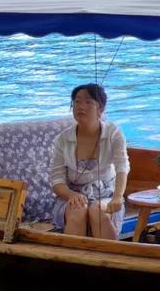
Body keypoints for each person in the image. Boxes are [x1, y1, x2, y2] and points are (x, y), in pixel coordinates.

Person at [49, 82, 129, 239]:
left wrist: (118, 197)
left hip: (106, 194)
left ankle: (107, 260)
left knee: (98, 211)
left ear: (100, 109)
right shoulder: (63, 139)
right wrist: (71, 195)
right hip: (72, 195)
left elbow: (122, 167)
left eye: (88, 102)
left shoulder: (114, 134)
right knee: (78, 210)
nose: (80, 106)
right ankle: (74, 262)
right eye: (77, 102)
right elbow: (57, 180)